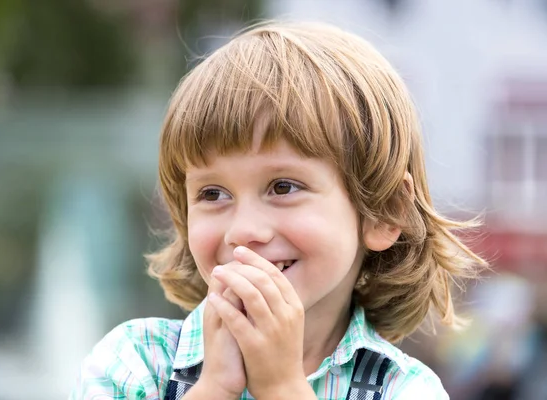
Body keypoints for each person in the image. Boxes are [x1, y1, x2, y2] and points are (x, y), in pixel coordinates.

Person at [70, 20, 486, 399]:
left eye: (282, 187)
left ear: (383, 212)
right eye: (213, 194)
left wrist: (282, 388)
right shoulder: (138, 361)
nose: (244, 230)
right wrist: (214, 388)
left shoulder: (405, 390)